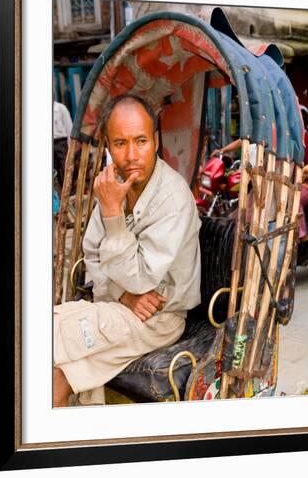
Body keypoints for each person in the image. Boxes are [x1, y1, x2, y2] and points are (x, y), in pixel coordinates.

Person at [53, 94, 201, 406]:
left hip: (159, 318)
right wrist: (122, 295)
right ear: (108, 146)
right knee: (57, 368)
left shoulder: (172, 198)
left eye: (141, 141)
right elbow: (92, 252)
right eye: (120, 143)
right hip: (118, 305)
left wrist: (112, 214)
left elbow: (144, 280)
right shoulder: (114, 185)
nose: (132, 154)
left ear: (156, 141)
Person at [53, 100, 73, 187]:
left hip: (61, 142)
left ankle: (69, 189)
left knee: (65, 167)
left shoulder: (61, 108)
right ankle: (60, 189)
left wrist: (71, 146)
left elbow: (69, 127)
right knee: (54, 169)